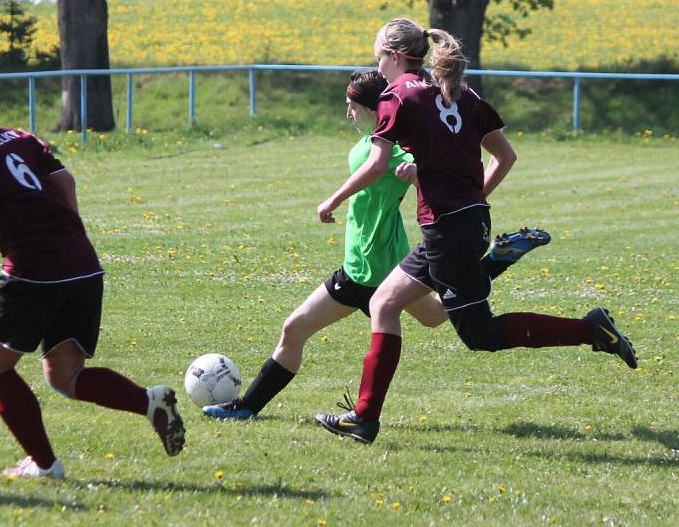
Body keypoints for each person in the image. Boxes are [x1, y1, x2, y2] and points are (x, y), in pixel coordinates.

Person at [314, 19, 638, 445]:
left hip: (448, 230)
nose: (378, 64)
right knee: (385, 302)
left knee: (478, 334)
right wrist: (468, 200)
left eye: (378, 55)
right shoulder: (460, 92)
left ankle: (592, 330)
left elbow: (376, 166)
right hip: (461, 224)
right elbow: (505, 156)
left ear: (393, 56)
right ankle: (364, 416)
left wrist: (332, 200)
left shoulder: (397, 96)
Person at [0, 71, 185, 478]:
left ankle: (45, 466)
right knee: (64, 376)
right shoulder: (20, 137)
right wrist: (69, 230)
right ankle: (149, 402)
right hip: (82, 264)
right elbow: (65, 180)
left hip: (32, 274)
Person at [203, 70, 549, 421]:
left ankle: (249, 407)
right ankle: (495, 261)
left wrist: (414, 174)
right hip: (385, 257)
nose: (347, 113)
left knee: (294, 328)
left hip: (369, 266)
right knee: (433, 316)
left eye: (351, 105)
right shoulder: (376, 140)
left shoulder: (395, 147)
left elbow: (431, 170)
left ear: (371, 107)